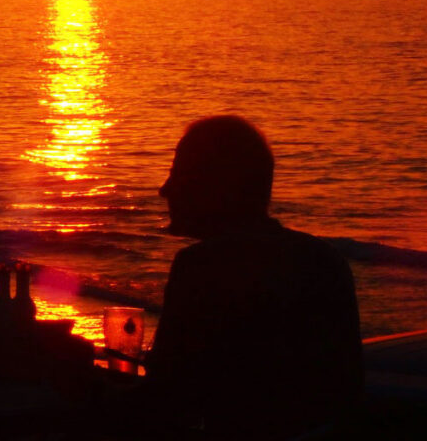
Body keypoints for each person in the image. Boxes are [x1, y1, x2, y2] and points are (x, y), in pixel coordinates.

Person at [144, 115, 363, 439]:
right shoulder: (324, 259)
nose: (165, 190)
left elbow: (168, 397)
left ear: (214, 186)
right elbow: (345, 390)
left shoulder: (201, 267)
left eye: (179, 174)